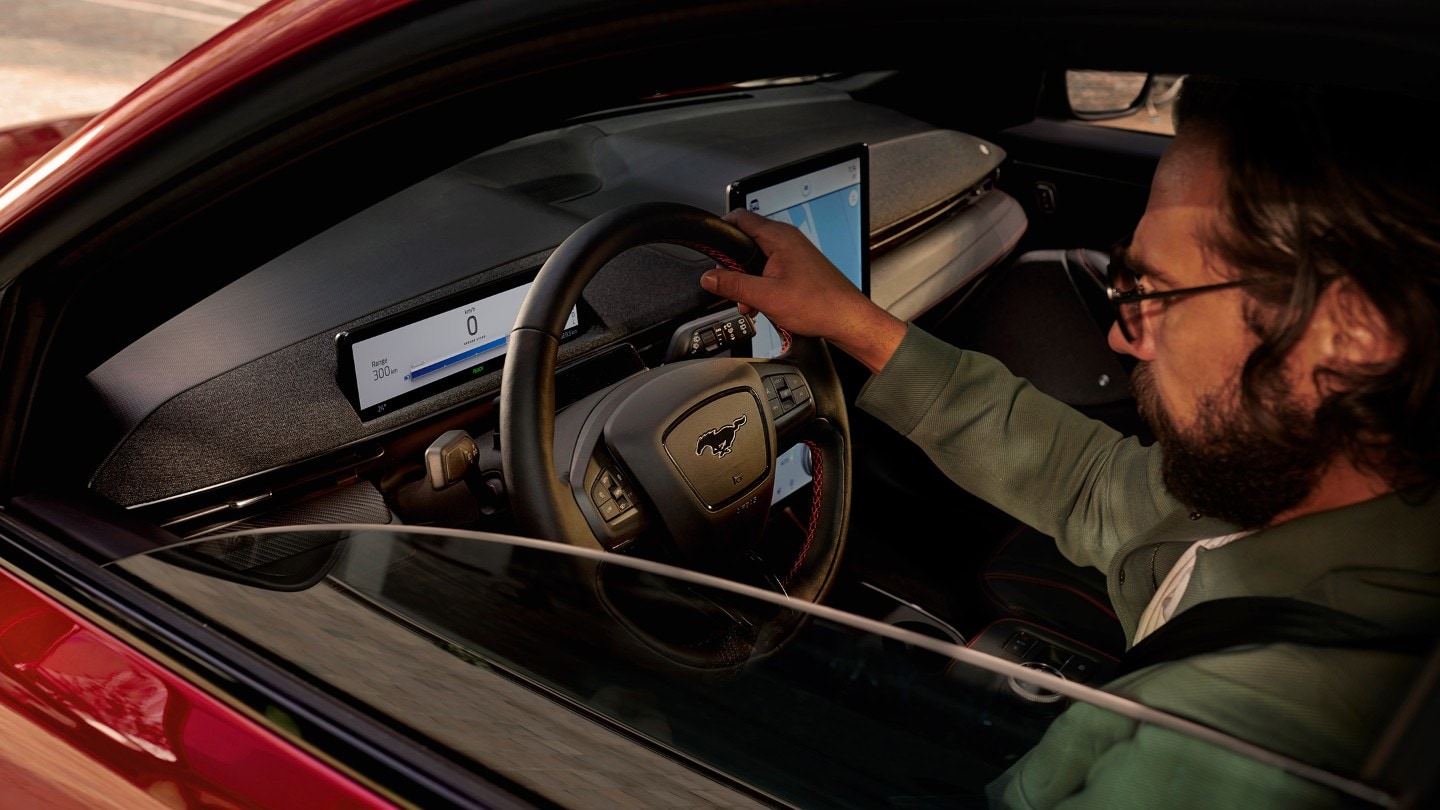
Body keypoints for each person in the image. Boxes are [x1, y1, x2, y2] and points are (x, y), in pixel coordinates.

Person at [699, 75, 1440, 807]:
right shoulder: (1302, 493)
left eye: (1152, 292)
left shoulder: (1236, 749)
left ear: (1352, 336)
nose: (1122, 334)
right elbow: (1089, 482)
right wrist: (857, 324)